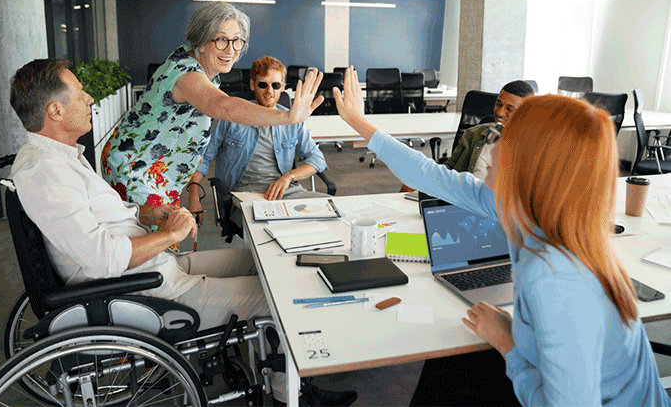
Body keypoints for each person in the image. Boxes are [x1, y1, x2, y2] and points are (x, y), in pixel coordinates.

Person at [9, 59, 357, 407]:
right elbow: (102, 258)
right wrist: (171, 234)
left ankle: (273, 363)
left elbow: (98, 224)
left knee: (261, 259)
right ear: (55, 110)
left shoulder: (60, 159)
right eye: (81, 94)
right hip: (147, 288)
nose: (90, 100)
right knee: (281, 295)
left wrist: (148, 213)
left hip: (156, 268)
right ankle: (288, 388)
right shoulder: (46, 172)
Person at [332, 66, 669, 406]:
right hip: (544, 368)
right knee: (449, 361)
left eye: (501, 138)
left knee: (449, 379)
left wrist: (507, 343)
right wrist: (359, 122)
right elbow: (429, 175)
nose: (490, 147)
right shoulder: (521, 209)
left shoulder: (555, 278)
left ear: (529, 164)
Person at [101, 2, 323, 208]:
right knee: (151, 243)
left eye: (237, 40)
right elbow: (223, 107)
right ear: (202, 42)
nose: (231, 50)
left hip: (160, 170)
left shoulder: (207, 74)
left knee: (162, 240)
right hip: (136, 167)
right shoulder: (185, 71)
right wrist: (287, 117)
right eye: (221, 39)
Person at [188, 56, 329, 226]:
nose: (269, 91)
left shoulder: (292, 121)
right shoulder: (229, 116)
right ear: (253, 85)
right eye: (263, 84)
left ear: (283, 87)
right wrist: (193, 197)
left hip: (285, 192)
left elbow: (317, 159)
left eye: (275, 85)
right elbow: (203, 159)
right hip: (244, 195)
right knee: (273, 224)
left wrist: (288, 177)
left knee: (330, 207)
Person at [443, 80, 534, 180]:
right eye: (498, 104)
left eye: (510, 109)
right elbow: (449, 171)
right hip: (466, 194)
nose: (500, 113)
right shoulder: (473, 134)